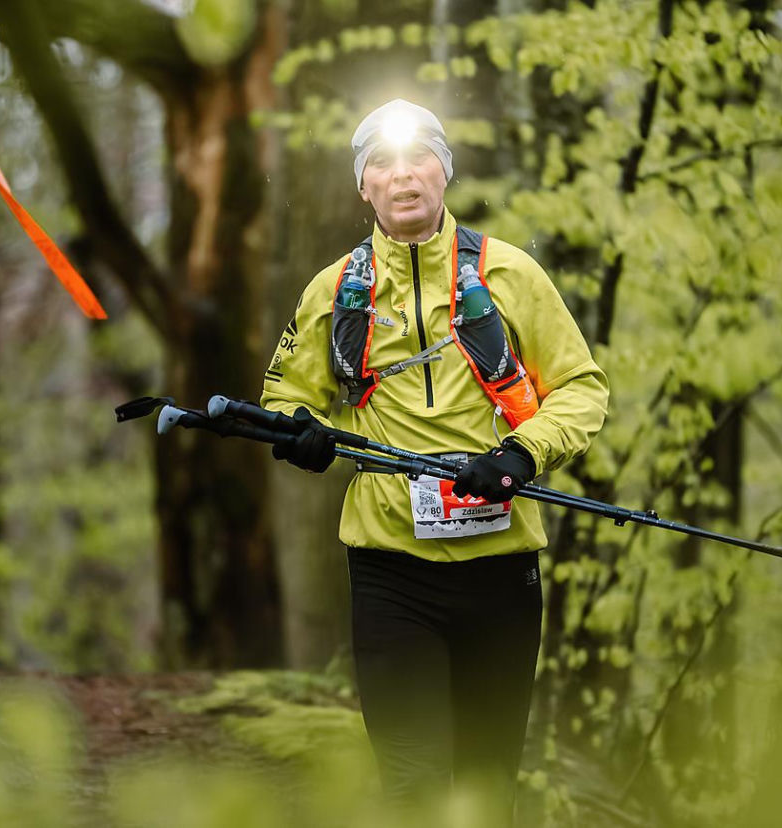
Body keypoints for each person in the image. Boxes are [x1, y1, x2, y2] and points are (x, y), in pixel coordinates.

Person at [260, 98, 609, 824]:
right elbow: (285, 396)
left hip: (500, 568)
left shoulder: (512, 274)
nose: (403, 176)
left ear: (445, 171)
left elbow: (580, 389)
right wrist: (304, 433)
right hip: (390, 572)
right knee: (412, 786)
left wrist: (521, 454)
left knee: (487, 786)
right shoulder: (334, 291)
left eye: (419, 157)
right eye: (381, 162)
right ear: (364, 186)